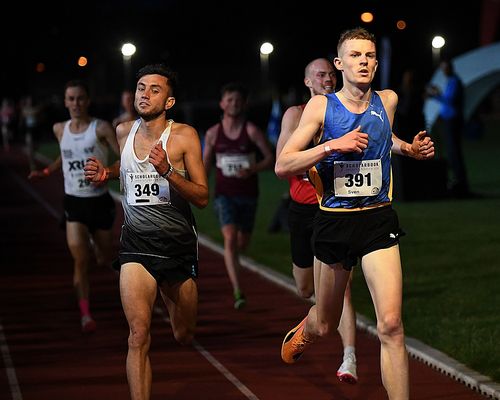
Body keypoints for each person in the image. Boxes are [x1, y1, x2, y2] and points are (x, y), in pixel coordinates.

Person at [275, 28, 434, 399]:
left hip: (378, 220)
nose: (363, 61)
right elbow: (284, 164)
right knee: (326, 324)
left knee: (392, 325)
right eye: (355, 55)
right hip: (334, 221)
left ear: (376, 63)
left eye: (369, 55)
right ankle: (305, 330)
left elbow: (383, 136)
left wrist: (408, 149)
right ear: (339, 64)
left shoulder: (388, 100)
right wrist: (333, 145)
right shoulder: (321, 107)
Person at [84, 63, 208, 400]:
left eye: (155, 89)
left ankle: (173, 300)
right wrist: (105, 174)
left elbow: (202, 196)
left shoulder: (184, 136)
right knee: (138, 335)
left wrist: (168, 171)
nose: (145, 93)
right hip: (136, 246)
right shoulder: (123, 131)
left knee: (184, 334)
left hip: (178, 247)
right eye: (141, 87)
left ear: (169, 101)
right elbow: (125, 170)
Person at [275, 58, 357, 384]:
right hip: (302, 210)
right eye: (320, 75)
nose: (327, 78)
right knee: (305, 287)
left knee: (343, 288)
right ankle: (310, 322)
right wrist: (323, 152)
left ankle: (349, 357)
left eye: (331, 74)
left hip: (334, 210)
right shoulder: (296, 115)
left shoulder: (344, 112)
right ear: (308, 81)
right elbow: (284, 162)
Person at [28, 80, 120, 333]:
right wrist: (47, 171)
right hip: (74, 203)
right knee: (81, 262)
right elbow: (65, 154)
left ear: (87, 101)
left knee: (103, 258)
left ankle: (96, 245)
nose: (76, 103)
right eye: (71, 99)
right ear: (65, 101)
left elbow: (124, 158)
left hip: (99, 203)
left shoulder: (100, 128)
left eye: (80, 98)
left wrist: (106, 172)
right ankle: (85, 314)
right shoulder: (60, 129)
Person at [203, 82, 274, 309]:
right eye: (229, 100)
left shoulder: (251, 131)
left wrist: (252, 169)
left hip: (248, 195)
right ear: (222, 103)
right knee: (230, 238)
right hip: (224, 194)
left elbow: (270, 159)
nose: (233, 104)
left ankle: (233, 265)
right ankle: (237, 289)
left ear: (244, 104)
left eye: (237, 100)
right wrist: (201, 186)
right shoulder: (213, 133)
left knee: (241, 243)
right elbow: (205, 163)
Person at [426, 58, 470, 197]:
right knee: (451, 151)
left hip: (453, 120)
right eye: (443, 69)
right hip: (448, 120)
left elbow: (450, 100)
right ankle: (458, 179)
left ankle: (460, 180)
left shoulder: (455, 81)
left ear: (450, 68)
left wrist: (436, 94)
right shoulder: (451, 81)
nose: (444, 72)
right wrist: (436, 95)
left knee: (454, 151)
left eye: (445, 69)